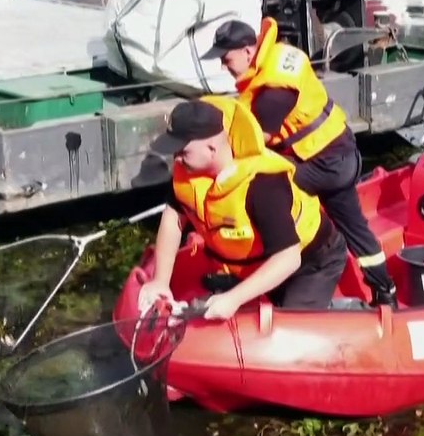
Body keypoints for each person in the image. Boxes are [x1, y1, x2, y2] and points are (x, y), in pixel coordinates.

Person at [200, 17, 398, 308]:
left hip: (329, 163)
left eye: (226, 59)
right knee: (355, 229)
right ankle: (386, 291)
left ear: (247, 51)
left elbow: (253, 140)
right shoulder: (272, 59)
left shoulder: (274, 91)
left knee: (261, 197)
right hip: (328, 154)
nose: (223, 66)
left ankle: (252, 271)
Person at [139, 96, 348, 320]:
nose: (176, 159)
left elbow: (288, 258)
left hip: (309, 262)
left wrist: (233, 299)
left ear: (211, 148)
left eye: (182, 151)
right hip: (249, 262)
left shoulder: (263, 185)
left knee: (288, 333)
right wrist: (160, 281)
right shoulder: (189, 174)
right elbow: (173, 218)